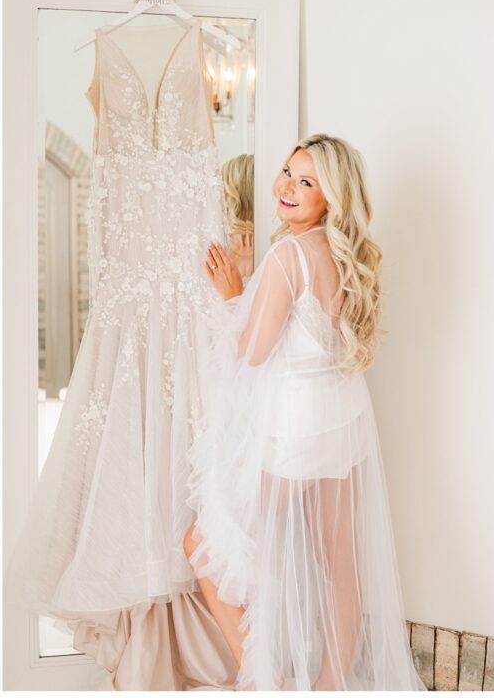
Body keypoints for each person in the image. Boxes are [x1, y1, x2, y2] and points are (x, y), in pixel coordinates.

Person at [182, 134, 425, 690]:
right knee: (339, 564)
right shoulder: (345, 257)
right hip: (343, 422)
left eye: (306, 182)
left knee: (205, 543)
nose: (288, 188)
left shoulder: (288, 256)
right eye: (288, 173)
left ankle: (267, 680)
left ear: (331, 199)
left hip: (293, 431)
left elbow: (252, 352)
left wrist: (231, 294)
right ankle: (329, 686)